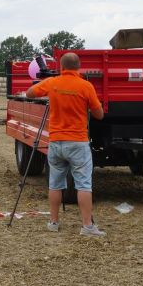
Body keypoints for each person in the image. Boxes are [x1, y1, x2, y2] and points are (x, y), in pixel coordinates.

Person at [26, 52, 106, 237]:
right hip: (77, 142)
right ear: (79, 67)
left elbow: (30, 93)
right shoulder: (86, 86)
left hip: (56, 141)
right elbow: (99, 114)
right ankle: (87, 226)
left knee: (55, 183)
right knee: (84, 184)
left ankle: (53, 222)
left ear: (61, 67)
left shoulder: (52, 83)